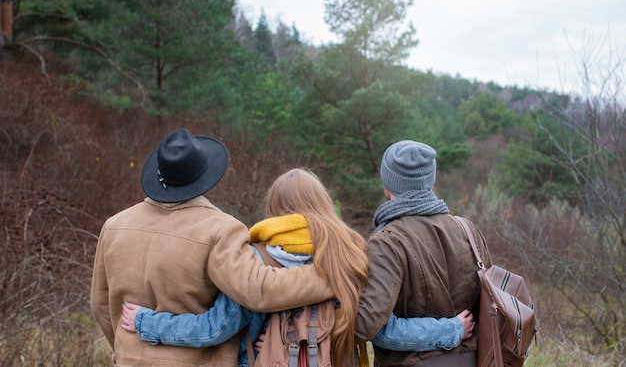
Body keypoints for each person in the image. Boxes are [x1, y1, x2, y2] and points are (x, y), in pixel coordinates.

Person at [119, 168, 476, 366]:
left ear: (276, 209)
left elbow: (214, 329)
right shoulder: (352, 255)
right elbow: (382, 331)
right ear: (322, 203)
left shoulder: (254, 259)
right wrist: (450, 331)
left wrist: (146, 322)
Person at [90, 130, 334, 367]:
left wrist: (129, 350)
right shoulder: (221, 230)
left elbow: (100, 306)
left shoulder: (113, 226)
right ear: (204, 176)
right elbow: (259, 292)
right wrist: (332, 275)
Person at [354, 140, 492, 367]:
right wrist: (454, 328)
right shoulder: (468, 230)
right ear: (430, 179)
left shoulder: (387, 242)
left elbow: (369, 326)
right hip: (472, 361)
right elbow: (487, 308)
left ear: (387, 184)